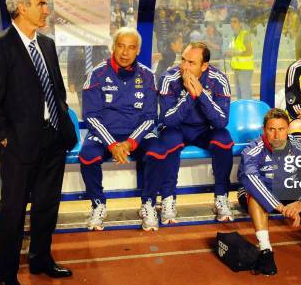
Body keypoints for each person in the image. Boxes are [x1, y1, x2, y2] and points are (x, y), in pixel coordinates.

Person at [0, 0, 78, 285]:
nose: (46, 9)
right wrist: (4, 138)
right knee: (12, 209)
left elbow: (58, 91)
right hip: (19, 145)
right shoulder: (0, 46)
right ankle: (6, 273)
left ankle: (40, 259)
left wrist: (61, 122)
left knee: (47, 205)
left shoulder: (47, 44)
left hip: (52, 139)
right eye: (41, 3)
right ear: (22, 7)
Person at [140, 42, 234, 229]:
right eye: (183, 59)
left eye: (191, 62)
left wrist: (202, 95)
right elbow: (168, 119)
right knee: (170, 141)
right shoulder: (168, 77)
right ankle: (167, 199)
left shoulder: (219, 79)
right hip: (177, 128)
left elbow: (221, 121)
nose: (184, 66)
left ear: (204, 66)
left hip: (204, 129)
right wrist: (190, 96)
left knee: (224, 140)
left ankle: (221, 197)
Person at [79, 27, 158, 230]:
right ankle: (98, 204)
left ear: (138, 50)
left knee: (157, 153)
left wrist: (130, 142)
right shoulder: (96, 74)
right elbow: (91, 117)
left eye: (131, 48)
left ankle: (148, 204)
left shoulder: (148, 76)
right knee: (87, 155)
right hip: (105, 133)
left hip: (136, 135)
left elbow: (150, 118)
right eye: (121, 46)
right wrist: (113, 144)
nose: (125, 53)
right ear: (113, 47)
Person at [238, 108, 301, 276]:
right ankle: (265, 250)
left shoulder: (299, 147)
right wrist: (280, 207)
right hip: (261, 191)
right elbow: (251, 179)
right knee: (255, 195)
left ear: (288, 130)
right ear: (264, 130)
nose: (277, 135)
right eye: (272, 129)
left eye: (281, 129)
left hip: (288, 189)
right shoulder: (252, 150)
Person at [67, 44, 110, 111]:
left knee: (96, 102)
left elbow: (108, 59)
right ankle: (86, 119)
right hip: (80, 79)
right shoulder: (75, 45)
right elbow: (70, 64)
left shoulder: (100, 43)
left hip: (96, 78)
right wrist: (70, 82)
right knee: (83, 105)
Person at [228, 15, 254, 100]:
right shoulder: (234, 36)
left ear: (240, 23)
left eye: (235, 21)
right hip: (237, 68)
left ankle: (247, 111)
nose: (232, 24)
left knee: (245, 93)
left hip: (245, 69)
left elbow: (249, 51)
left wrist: (234, 53)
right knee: (239, 94)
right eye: (231, 22)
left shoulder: (245, 35)